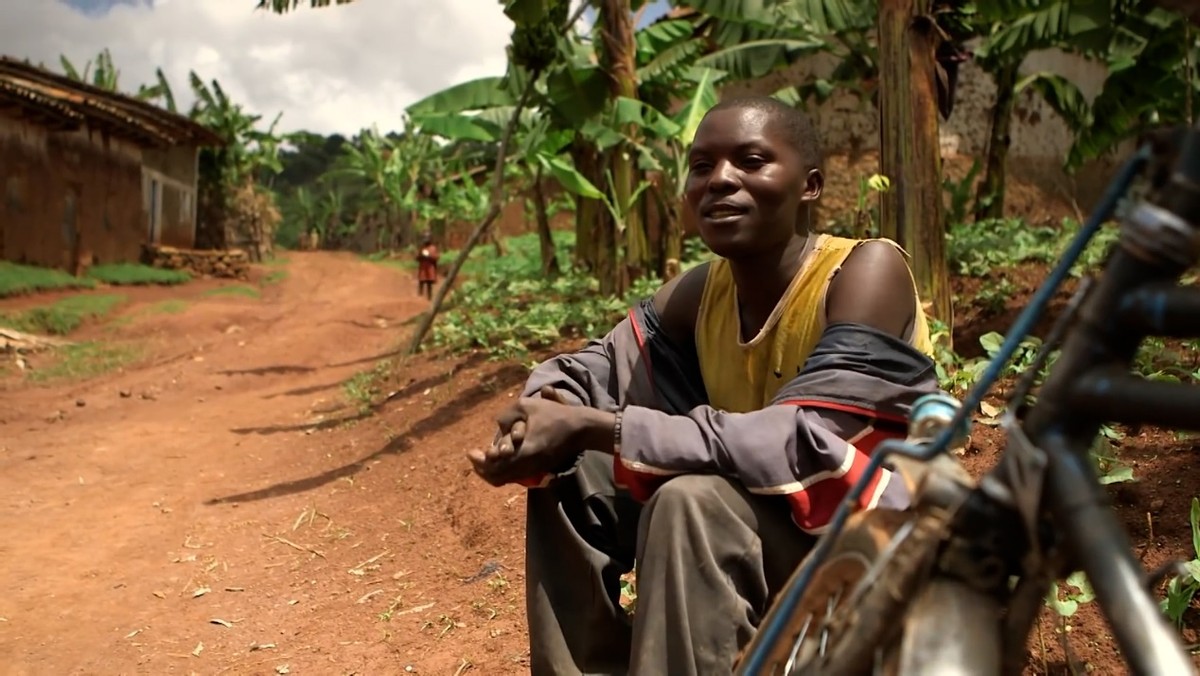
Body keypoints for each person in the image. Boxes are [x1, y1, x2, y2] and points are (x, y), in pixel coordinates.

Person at [466, 96, 941, 675]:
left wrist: (603, 426)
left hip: (876, 549)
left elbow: (802, 440)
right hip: (771, 530)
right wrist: (548, 414)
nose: (720, 180)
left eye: (751, 161)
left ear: (809, 186)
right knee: (575, 467)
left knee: (689, 502)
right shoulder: (700, 294)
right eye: (701, 166)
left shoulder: (864, 273)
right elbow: (597, 367)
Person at [416, 232, 440, 300]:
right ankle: (420, 294)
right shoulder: (422, 247)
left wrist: (429, 256)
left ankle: (429, 297)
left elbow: (436, 257)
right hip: (423, 267)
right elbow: (417, 257)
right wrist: (421, 255)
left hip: (430, 268)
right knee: (421, 281)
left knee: (429, 283)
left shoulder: (433, 248)